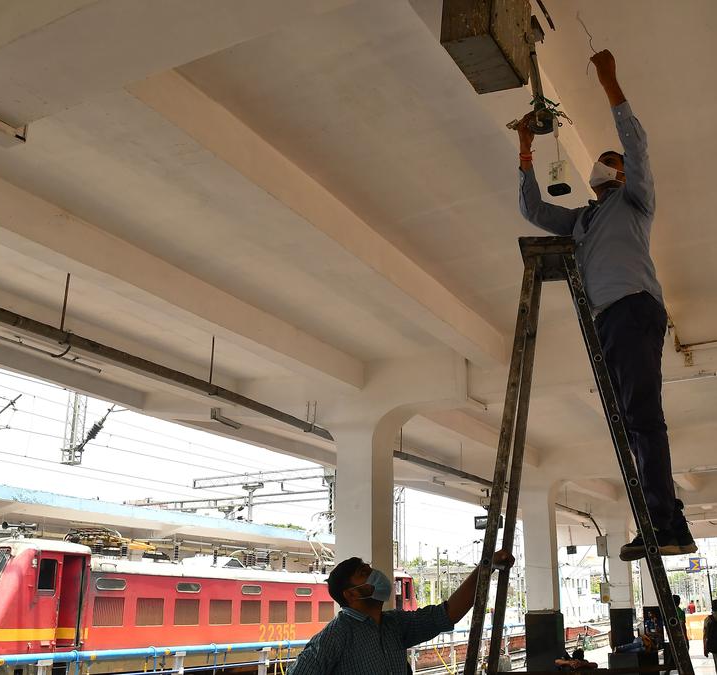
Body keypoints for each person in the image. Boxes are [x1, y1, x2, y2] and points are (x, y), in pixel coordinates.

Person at [515, 48, 694, 561]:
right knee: (634, 421)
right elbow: (532, 208)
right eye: (606, 161)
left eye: (611, 162)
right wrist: (526, 149)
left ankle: (663, 520)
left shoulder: (634, 202)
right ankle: (668, 521)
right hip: (612, 319)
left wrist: (611, 83)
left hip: (634, 309)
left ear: (617, 177)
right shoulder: (583, 221)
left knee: (641, 419)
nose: (607, 163)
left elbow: (637, 146)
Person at [289, 550, 513, 674]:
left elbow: (447, 614)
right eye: (364, 573)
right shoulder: (334, 637)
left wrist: (486, 567)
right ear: (351, 595)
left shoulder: (393, 624)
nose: (376, 574)